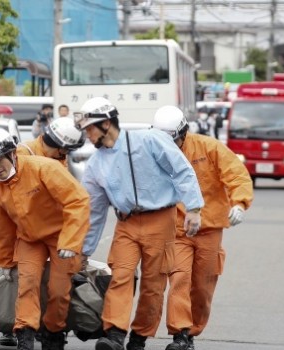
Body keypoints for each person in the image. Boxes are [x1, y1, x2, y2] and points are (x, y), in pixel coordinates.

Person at [76, 97, 204, 350]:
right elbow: (94, 212)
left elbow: (182, 170)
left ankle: (139, 336)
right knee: (120, 276)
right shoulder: (95, 166)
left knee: (153, 285)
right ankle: (113, 334)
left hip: (160, 220)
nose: (87, 136)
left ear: (106, 124)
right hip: (126, 226)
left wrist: (194, 208)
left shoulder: (150, 140)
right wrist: (84, 250)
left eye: (89, 129)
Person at [0, 128, 90, 350]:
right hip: (29, 239)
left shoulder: (44, 168)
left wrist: (70, 242)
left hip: (60, 237)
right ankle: (25, 335)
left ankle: (54, 334)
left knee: (58, 290)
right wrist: (7, 261)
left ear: (12, 153)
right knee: (27, 284)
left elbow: (78, 201)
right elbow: (2, 228)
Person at [152, 106, 254, 350]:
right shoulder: (153, 151)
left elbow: (236, 175)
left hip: (209, 230)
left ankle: (192, 331)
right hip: (177, 231)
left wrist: (239, 203)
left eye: (174, 140)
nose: (170, 145)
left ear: (183, 133)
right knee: (179, 279)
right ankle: (180, 333)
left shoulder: (209, 148)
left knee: (202, 286)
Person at [17, 117, 84, 166]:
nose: (67, 153)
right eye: (68, 149)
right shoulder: (23, 153)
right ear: (60, 147)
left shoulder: (59, 159)